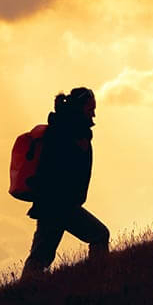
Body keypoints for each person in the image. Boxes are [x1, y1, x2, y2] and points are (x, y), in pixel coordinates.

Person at [21, 87, 110, 280]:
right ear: (79, 109)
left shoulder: (67, 129)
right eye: (90, 109)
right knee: (99, 235)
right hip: (57, 205)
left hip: (56, 205)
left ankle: (22, 293)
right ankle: (99, 278)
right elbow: (56, 170)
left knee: (41, 257)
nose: (94, 113)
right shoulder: (65, 132)